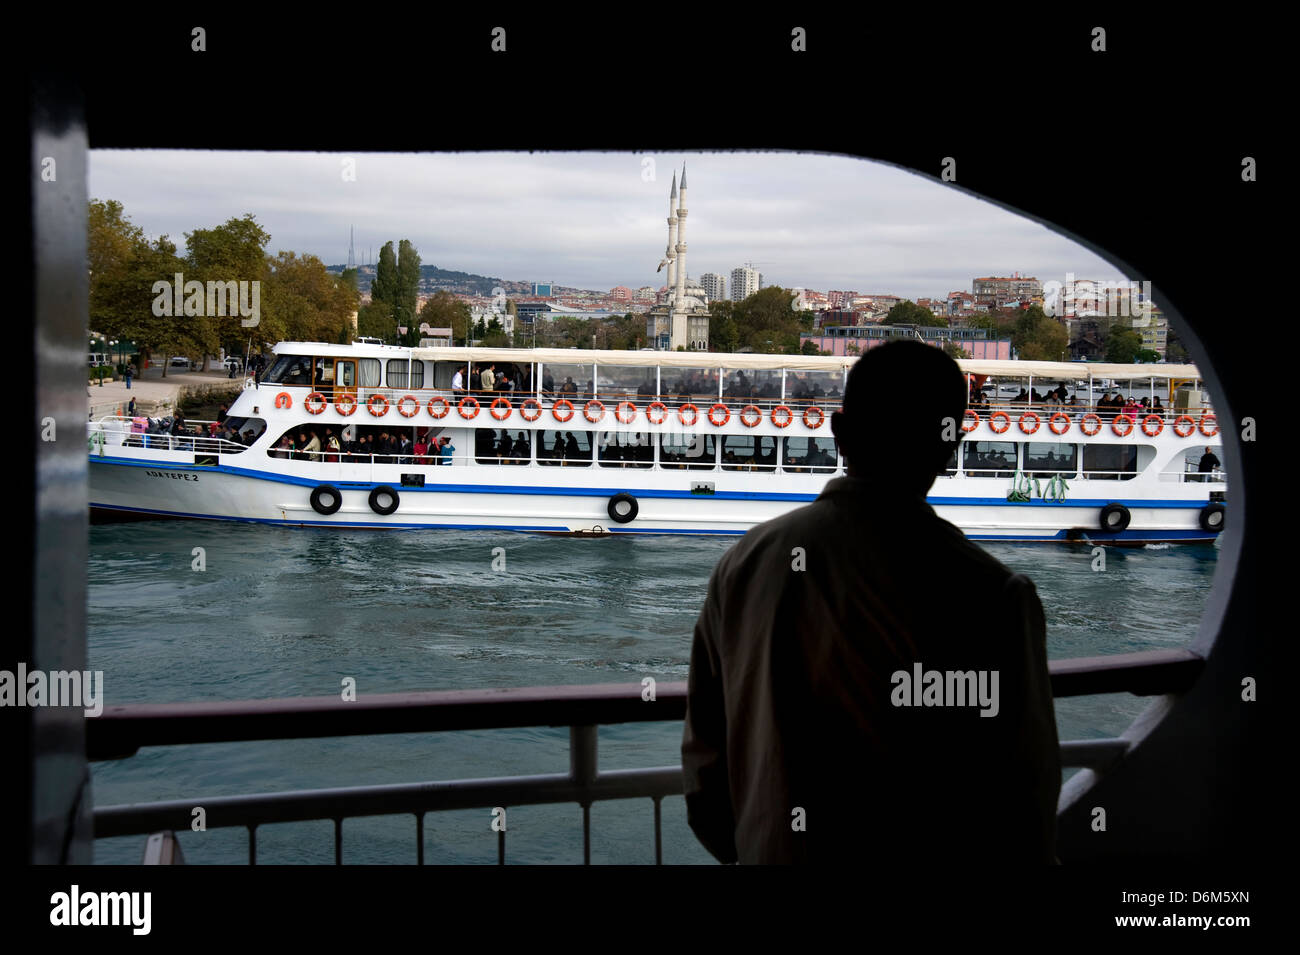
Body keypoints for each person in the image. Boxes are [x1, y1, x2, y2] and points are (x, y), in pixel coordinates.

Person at [681, 340, 1060, 865]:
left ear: (838, 432)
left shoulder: (744, 562)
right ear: (948, 443)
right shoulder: (992, 593)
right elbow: (1023, 796)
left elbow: (706, 760)